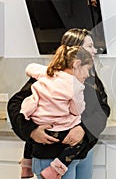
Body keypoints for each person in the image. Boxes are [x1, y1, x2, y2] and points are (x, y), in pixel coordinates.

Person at [8, 28, 110, 179]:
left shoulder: (90, 77)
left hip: (82, 154)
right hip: (50, 155)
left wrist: (83, 130)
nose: (94, 51)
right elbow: (15, 104)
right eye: (89, 46)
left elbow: (103, 109)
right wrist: (31, 131)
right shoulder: (49, 75)